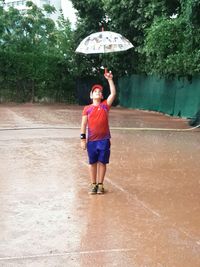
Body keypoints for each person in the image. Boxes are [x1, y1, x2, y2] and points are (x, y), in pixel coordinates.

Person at [80, 70, 116, 194]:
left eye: (100, 92)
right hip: (92, 142)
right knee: (92, 163)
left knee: (102, 162)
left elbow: (113, 93)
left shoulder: (105, 106)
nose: (98, 93)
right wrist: (83, 139)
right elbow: (83, 125)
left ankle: (100, 185)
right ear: (91, 95)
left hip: (104, 140)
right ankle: (93, 184)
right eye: (95, 91)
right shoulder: (87, 109)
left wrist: (110, 79)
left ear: (101, 96)